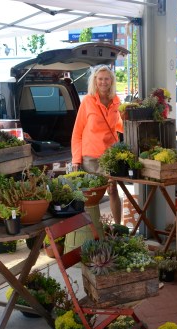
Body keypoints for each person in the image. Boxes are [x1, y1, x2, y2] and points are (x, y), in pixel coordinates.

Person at [71, 65, 123, 224]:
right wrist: (76, 159)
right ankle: (96, 233)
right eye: (100, 79)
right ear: (95, 81)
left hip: (110, 156)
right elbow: (77, 132)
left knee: (113, 191)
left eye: (107, 78)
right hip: (91, 158)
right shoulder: (87, 101)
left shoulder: (116, 101)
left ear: (111, 81)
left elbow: (120, 126)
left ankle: (118, 229)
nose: (103, 82)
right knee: (92, 197)